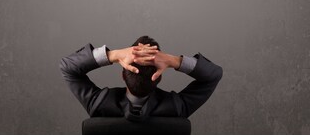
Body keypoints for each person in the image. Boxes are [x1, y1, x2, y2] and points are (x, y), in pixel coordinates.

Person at [59, 35, 223, 121]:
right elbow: (214, 75)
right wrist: (174, 61)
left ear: (123, 75)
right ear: (159, 77)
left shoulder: (99, 104)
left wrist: (113, 55)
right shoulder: (176, 108)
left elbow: (67, 67)